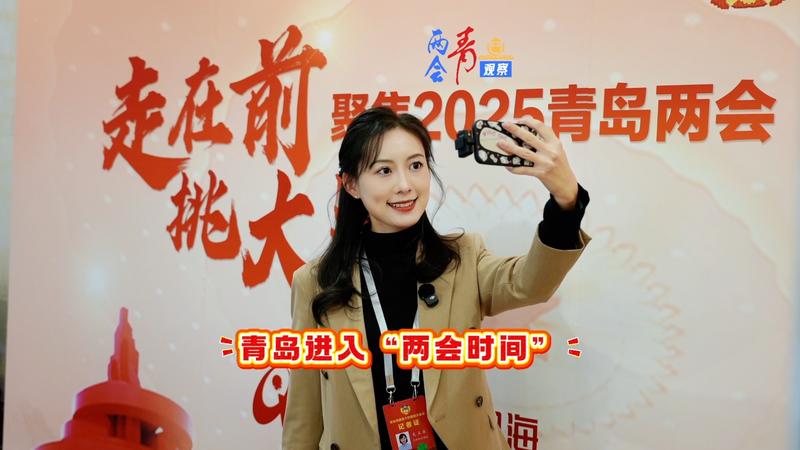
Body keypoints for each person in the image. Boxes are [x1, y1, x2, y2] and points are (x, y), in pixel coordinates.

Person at [282, 107, 591, 450]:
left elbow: (530, 284)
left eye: (416, 165)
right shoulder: (316, 283)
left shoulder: (463, 258)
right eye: (384, 170)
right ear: (352, 184)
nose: (405, 185)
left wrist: (566, 201)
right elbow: (303, 414)